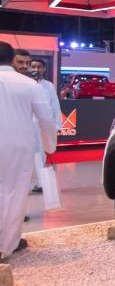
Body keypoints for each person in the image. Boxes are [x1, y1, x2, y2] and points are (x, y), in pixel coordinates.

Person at [0, 41, 57, 260]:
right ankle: (7, 245)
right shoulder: (29, 85)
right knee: (15, 193)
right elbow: (46, 118)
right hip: (19, 144)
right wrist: (49, 146)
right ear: (11, 59)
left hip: (18, 143)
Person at [29, 58, 62, 194]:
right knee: (26, 155)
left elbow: (55, 106)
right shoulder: (25, 84)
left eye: (39, 67)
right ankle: (26, 184)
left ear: (44, 69)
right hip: (26, 125)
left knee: (41, 154)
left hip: (42, 126)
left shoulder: (49, 86)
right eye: (33, 66)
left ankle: (40, 183)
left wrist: (57, 125)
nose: (36, 69)